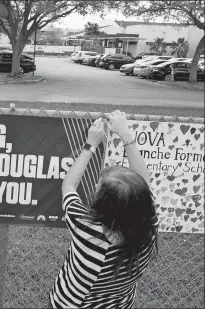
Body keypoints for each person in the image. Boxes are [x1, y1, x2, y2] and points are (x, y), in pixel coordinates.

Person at [49, 110, 159, 308]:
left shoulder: (86, 231)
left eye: (99, 187)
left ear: (104, 205)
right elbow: (145, 183)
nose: (95, 186)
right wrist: (126, 135)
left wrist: (90, 145)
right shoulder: (148, 230)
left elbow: (68, 186)